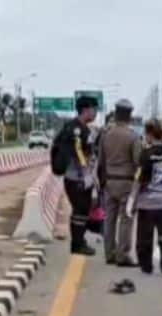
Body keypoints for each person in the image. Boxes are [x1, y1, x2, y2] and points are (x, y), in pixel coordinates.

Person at [131, 119, 162, 277]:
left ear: (150, 134)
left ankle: (146, 266)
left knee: (145, 236)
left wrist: (132, 200)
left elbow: (139, 178)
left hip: (148, 203)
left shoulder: (146, 154)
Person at [97, 98, 142, 267]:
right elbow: (138, 162)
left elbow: (100, 161)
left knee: (109, 219)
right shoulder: (133, 137)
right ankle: (123, 255)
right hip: (126, 184)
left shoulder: (105, 135)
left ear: (115, 114)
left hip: (109, 182)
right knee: (126, 219)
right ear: (129, 116)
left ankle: (109, 253)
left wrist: (102, 183)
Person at [58, 94, 99, 256]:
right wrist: (85, 174)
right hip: (76, 177)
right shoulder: (77, 129)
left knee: (81, 210)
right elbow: (78, 152)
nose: (95, 113)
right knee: (80, 209)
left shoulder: (81, 128)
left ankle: (80, 241)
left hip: (79, 176)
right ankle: (77, 244)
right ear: (86, 109)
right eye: (94, 109)